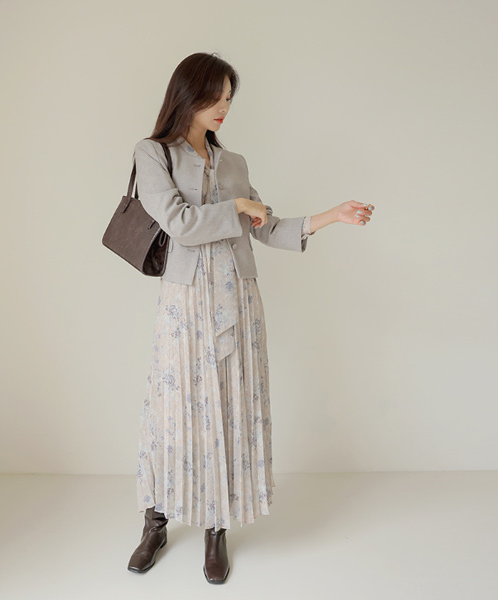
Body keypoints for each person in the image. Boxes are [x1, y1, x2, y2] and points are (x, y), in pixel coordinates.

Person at [126, 52, 375, 584]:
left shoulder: (234, 162)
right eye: (215, 97)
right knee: (175, 409)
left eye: (229, 98)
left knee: (229, 408)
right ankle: (156, 520)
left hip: (238, 299)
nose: (224, 107)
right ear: (187, 94)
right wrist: (236, 208)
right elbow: (178, 222)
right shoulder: (153, 153)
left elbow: (268, 226)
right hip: (185, 302)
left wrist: (331, 216)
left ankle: (216, 527)